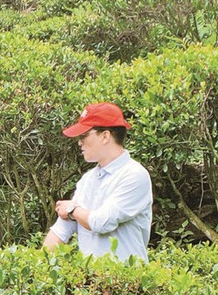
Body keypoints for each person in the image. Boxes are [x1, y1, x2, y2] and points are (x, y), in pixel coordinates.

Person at [43, 102, 152, 262]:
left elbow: (102, 222)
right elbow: (62, 229)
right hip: (89, 276)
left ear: (105, 136)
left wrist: (73, 209)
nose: (79, 142)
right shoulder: (88, 179)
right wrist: (38, 265)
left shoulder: (135, 175)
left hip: (126, 276)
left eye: (84, 135)